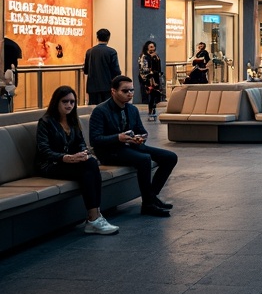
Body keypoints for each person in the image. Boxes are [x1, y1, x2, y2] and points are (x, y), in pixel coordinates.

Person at [89, 75, 178, 216]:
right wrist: (118, 138)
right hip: (110, 151)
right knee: (144, 159)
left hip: (131, 147)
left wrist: (140, 138)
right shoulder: (101, 111)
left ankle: (151, 197)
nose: (130, 94)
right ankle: (148, 204)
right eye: (125, 91)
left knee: (170, 157)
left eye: (132, 90)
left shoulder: (132, 109)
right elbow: (95, 139)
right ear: (113, 91)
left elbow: (141, 131)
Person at [36, 85, 119, 234]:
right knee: (88, 169)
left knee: (90, 164)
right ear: (56, 102)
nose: (69, 105)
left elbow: (80, 142)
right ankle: (94, 218)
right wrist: (64, 157)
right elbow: (44, 150)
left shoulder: (73, 120)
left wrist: (83, 153)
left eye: (72, 102)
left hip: (70, 163)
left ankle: (94, 217)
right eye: (65, 101)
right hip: (50, 165)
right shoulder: (46, 122)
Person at [84, 28, 121, 105]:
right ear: (108, 38)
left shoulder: (89, 52)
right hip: (107, 86)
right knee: (107, 108)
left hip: (92, 86)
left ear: (97, 38)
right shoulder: (112, 52)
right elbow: (116, 71)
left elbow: (86, 70)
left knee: (94, 109)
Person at [137, 41, 163, 122]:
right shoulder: (144, 56)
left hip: (155, 78)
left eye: (153, 47)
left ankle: (153, 110)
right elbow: (143, 69)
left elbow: (158, 67)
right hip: (148, 79)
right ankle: (150, 112)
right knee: (150, 95)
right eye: (151, 47)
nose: (153, 48)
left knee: (155, 95)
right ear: (147, 47)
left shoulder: (156, 56)